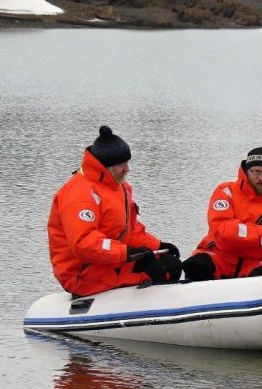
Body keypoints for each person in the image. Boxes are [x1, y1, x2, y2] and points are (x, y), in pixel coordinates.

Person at [47, 125, 181, 296]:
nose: (127, 169)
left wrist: (157, 246)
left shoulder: (119, 187)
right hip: (82, 272)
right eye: (121, 164)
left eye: (127, 163)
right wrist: (127, 253)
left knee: (170, 263)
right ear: (106, 166)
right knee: (159, 269)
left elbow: (129, 231)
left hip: (108, 262)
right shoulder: (79, 194)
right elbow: (84, 243)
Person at [182, 147, 262, 281]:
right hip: (220, 256)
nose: (261, 178)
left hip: (255, 262)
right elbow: (223, 232)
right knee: (196, 265)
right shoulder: (226, 192)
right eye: (256, 172)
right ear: (247, 171)